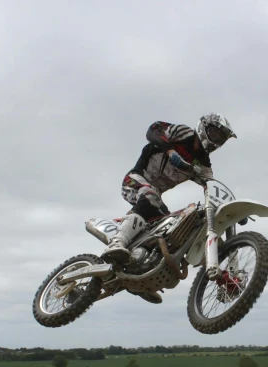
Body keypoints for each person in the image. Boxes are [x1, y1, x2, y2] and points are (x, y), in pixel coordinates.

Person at [101, 113, 238, 304]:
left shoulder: (203, 163)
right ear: (204, 127)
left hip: (155, 197)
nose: (215, 140)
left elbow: (211, 185)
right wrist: (171, 151)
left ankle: (142, 276)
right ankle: (117, 243)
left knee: (172, 232)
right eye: (214, 133)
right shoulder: (183, 133)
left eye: (220, 139)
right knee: (150, 195)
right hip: (135, 181)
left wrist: (228, 206)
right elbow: (153, 130)